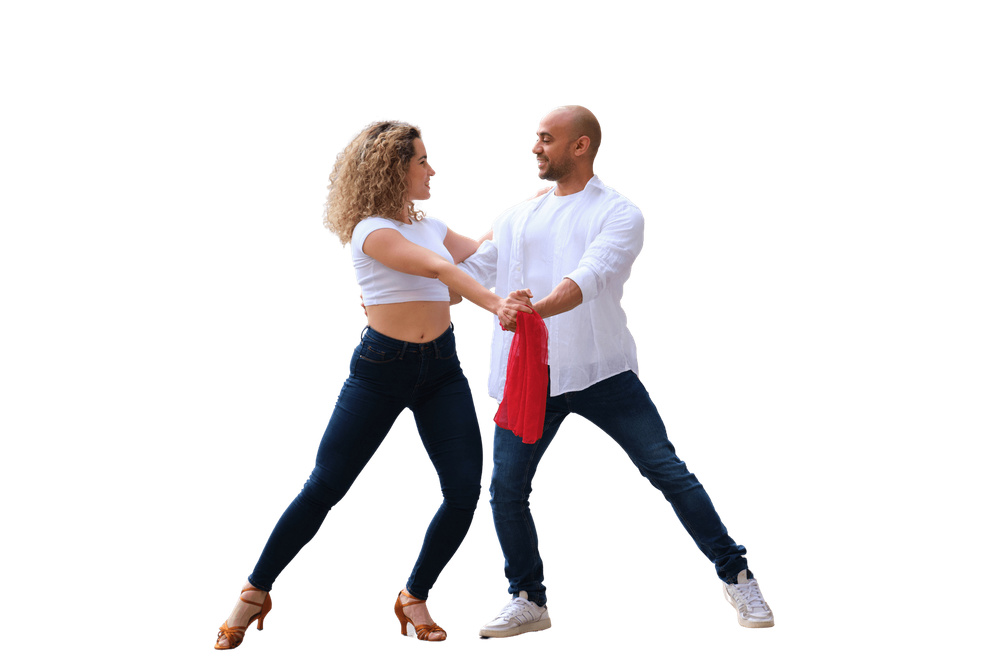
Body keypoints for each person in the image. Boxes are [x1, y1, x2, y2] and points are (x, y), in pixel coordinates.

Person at [211, 118, 533, 650]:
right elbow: (439, 269)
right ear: (393, 169)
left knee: (462, 492)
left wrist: (525, 219)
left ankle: (413, 596)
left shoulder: (430, 222)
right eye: (422, 161)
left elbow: (480, 257)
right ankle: (254, 592)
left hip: (442, 368)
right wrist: (493, 303)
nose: (432, 169)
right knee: (325, 487)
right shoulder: (370, 229)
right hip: (382, 368)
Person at [455, 104, 776, 637]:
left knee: (668, 471)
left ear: (581, 145)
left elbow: (588, 279)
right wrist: (414, 251)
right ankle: (528, 598)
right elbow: (474, 271)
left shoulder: (619, 213)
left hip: (600, 372)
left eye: (547, 139)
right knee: (505, 490)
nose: (536, 147)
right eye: (536, 138)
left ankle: (736, 573)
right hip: (528, 378)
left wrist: (532, 310)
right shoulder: (514, 216)